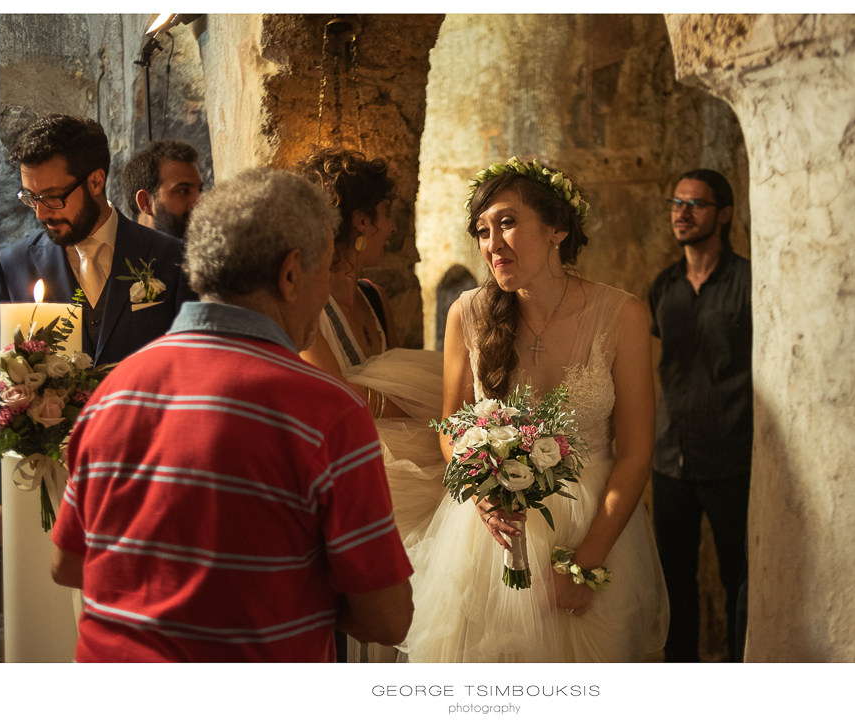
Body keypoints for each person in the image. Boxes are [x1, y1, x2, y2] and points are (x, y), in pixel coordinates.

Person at [48, 167, 414, 662]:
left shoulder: (112, 393)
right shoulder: (327, 412)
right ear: (290, 274)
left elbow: (68, 565)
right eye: (324, 270)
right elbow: (388, 619)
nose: (325, 289)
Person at [401, 158, 669, 662]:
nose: (491, 243)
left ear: (557, 229)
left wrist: (584, 565)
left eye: (506, 222)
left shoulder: (622, 315)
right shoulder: (467, 315)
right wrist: (478, 493)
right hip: (491, 538)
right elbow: (450, 426)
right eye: (481, 231)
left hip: (595, 529)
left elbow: (635, 452)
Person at [298, 147, 446, 663]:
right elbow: (335, 397)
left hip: (409, 473)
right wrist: (426, 405)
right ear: (360, 218)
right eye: (386, 215)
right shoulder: (309, 302)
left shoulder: (373, 294)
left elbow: (386, 377)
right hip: (356, 475)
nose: (390, 229)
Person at [648, 169, 752, 662]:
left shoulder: (748, 283)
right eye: (677, 202)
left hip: (733, 457)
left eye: (695, 204)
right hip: (671, 460)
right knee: (673, 584)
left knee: (741, 578)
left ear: (725, 214)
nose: (682, 212)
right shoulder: (663, 286)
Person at [0, 114, 197, 366]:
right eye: (31, 197)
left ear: (95, 181)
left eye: (52, 196)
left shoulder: (173, 257)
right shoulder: (10, 267)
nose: (41, 213)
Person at [120, 139, 204, 239]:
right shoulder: (115, 253)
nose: (199, 203)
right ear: (145, 202)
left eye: (200, 190)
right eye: (184, 191)